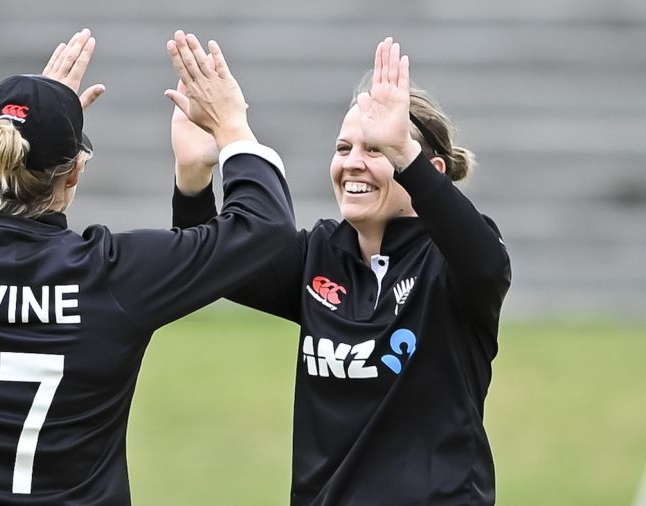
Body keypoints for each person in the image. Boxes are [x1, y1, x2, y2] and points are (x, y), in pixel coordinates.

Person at [0, 28, 295, 505]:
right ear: (76, 170)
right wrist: (231, 127)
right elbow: (265, 229)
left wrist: (23, 112)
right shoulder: (111, 274)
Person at [171, 37, 511, 505]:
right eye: (344, 147)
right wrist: (193, 181)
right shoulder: (319, 255)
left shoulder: (450, 261)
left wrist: (405, 156)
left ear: (427, 169)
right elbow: (211, 263)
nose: (352, 162)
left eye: (376, 151)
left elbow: (485, 262)